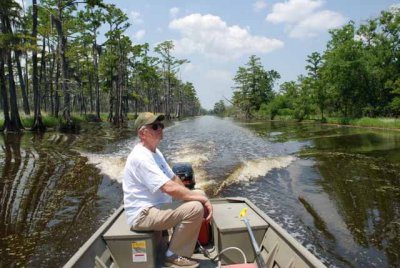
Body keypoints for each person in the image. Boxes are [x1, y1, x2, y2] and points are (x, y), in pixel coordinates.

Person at [123, 112, 213, 267]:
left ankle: (176, 243)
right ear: (142, 133)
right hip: (142, 214)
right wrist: (198, 200)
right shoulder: (140, 157)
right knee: (195, 207)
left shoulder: (155, 152)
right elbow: (167, 187)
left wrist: (193, 195)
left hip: (157, 208)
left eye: (161, 126)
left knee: (198, 194)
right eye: (155, 126)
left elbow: (173, 179)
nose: (160, 129)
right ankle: (173, 256)